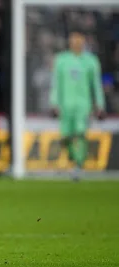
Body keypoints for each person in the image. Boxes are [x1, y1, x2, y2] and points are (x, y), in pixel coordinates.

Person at [49, 31, 105, 181]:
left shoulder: (91, 61)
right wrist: (54, 103)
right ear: (70, 42)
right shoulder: (61, 60)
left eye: (79, 40)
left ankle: (78, 166)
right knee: (65, 136)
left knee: (80, 133)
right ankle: (74, 159)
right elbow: (56, 83)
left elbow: (96, 85)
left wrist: (100, 104)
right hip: (65, 104)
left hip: (83, 105)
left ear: (83, 42)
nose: (76, 43)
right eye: (73, 40)